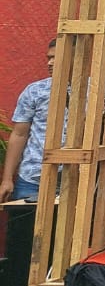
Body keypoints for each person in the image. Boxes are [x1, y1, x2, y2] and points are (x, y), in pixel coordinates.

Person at [1, 41, 55, 203]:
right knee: (24, 219)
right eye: (48, 58)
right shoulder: (35, 91)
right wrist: (7, 179)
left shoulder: (93, 91)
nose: (50, 63)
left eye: (55, 58)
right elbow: (19, 134)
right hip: (32, 178)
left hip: (75, 179)